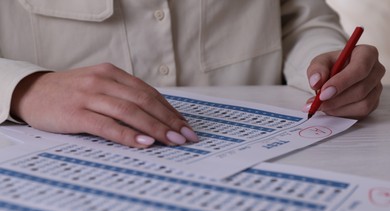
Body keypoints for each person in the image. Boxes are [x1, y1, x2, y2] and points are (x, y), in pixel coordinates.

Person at [0, 0, 385, 148]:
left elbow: (297, 18)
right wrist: (25, 89)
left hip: (267, 159)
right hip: (66, 174)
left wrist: (325, 63)